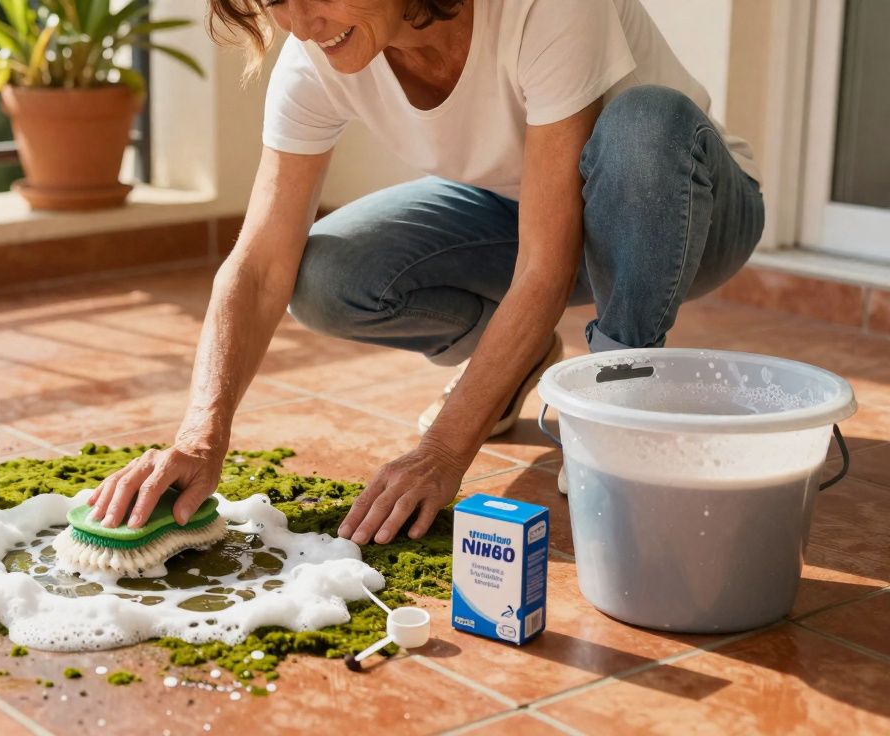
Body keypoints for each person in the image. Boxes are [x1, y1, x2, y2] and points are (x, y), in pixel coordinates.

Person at [87, 0, 764, 545]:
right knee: (328, 273)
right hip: (523, 211)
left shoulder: (543, 8)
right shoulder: (316, 56)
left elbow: (545, 267)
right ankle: (507, 371)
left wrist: (442, 453)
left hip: (688, 210)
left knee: (644, 123)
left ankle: (618, 407)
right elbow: (261, 264)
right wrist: (199, 436)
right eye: (273, 1)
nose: (299, 22)